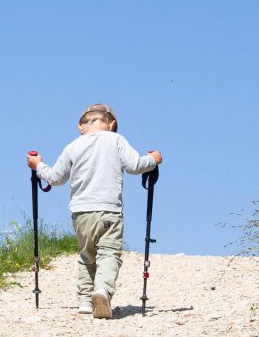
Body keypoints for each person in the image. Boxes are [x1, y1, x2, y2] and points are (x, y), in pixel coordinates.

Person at [26, 104, 162, 319]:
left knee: (87, 255)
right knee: (109, 253)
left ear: (80, 127)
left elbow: (55, 178)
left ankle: (85, 302)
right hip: (108, 210)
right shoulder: (116, 140)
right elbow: (135, 165)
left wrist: (38, 165)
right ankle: (102, 290)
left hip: (80, 213)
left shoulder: (72, 146)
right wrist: (153, 160)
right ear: (112, 124)